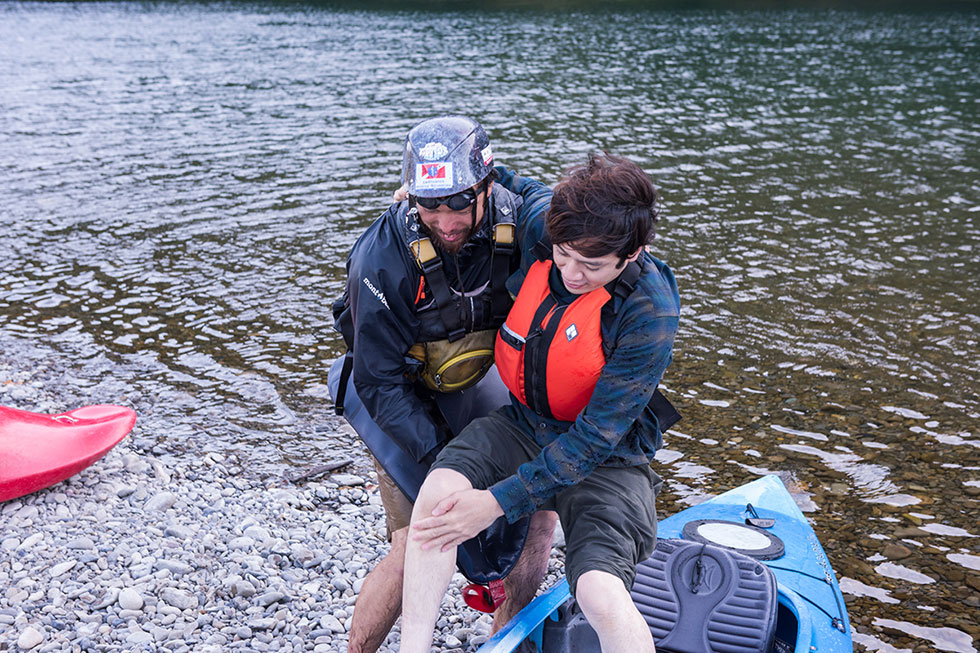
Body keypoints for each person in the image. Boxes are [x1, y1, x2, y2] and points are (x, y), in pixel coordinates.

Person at [400, 153, 681, 653]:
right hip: (528, 424)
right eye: (563, 255)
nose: (571, 273)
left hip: (609, 461)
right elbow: (501, 177)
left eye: (591, 266)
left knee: (598, 592)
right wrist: (430, 199)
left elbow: (595, 440)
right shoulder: (545, 222)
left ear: (632, 253)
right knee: (437, 496)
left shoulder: (649, 311)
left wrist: (493, 504)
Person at [327, 116, 558, 653]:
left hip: (488, 384)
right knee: (418, 540)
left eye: (458, 202)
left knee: (538, 520)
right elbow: (379, 382)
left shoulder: (518, 222)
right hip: (404, 401)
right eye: (430, 205)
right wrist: (445, 463)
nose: (445, 220)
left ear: (485, 185)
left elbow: (584, 249)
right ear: (409, 195)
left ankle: (505, 639)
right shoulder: (380, 260)